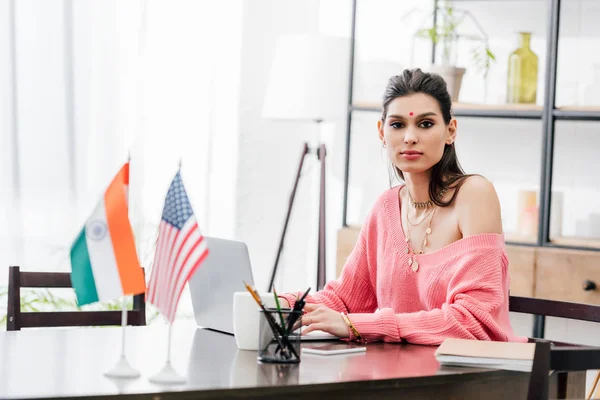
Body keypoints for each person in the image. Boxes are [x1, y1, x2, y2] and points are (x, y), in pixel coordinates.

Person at [279, 68, 527, 345]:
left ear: (450, 131)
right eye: (397, 125)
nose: (410, 137)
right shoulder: (386, 207)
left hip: (468, 377)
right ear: (382, 133)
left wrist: (357, 324)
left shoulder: (474, 195)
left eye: (425, 124)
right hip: (400, 374)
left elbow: (474, 321)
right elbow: (343, 301)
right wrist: (282, 304)